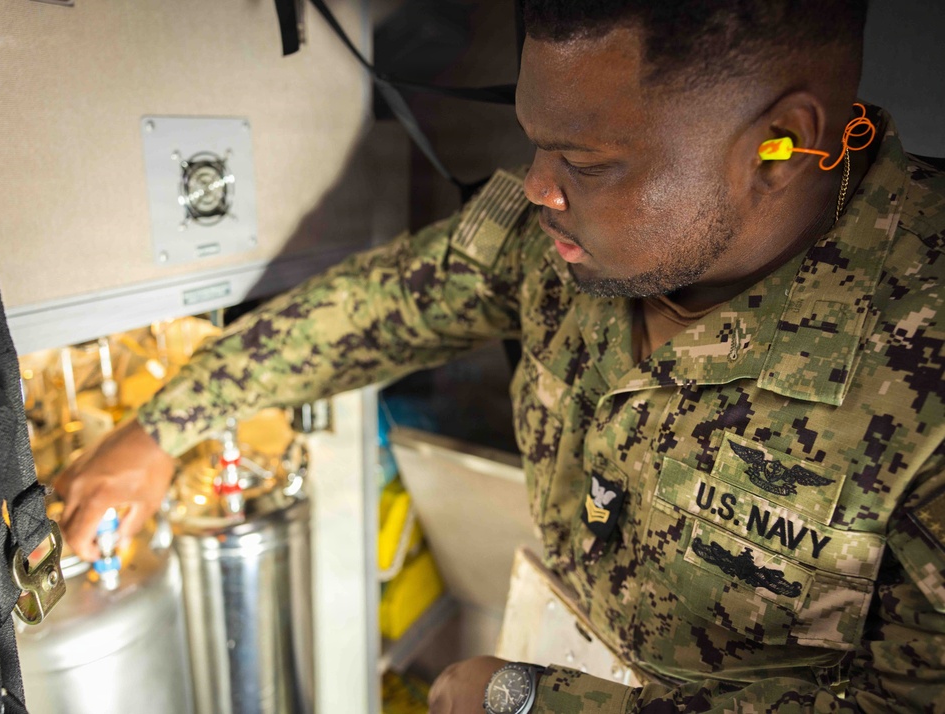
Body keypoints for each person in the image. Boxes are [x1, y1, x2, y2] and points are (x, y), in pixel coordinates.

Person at [56, 0, 945, 711]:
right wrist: (161, 426)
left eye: (587, 163)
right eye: (534, 141)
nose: (538, 186)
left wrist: (531, 701)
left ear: (779, 144)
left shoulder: (921, 357)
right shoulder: (555, 238)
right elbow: (382, 305)